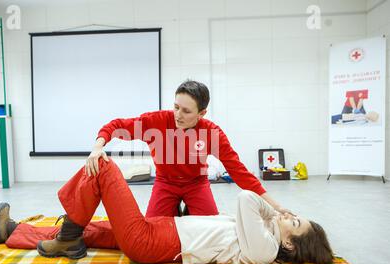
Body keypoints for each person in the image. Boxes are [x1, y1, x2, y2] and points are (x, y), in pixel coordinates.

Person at [0, 158, 334, 264]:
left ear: (291, 245)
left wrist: (273, 208)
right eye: (292, 215)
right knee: (91, 229)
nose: (288, 215)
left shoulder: (266, 249)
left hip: (156, 242)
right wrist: (275, 215)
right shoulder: (263, 237)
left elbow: (245, 198)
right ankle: (14, 231)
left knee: (104, 169)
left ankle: (68, 236)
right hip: (162, 228)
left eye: (294, 221)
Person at [87, 80, 289, 219]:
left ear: (202, 113)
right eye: (176, 107)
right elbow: (115, 126)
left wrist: (276, 206)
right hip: (165, 183)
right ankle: (173, 209)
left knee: (210, 230)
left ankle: (189, 211)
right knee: (154, 229)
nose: (177, 114)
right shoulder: (156, 121)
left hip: (197, 184)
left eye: (186, 111)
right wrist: (97, 147)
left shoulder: (212, 133)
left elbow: (239, 172)